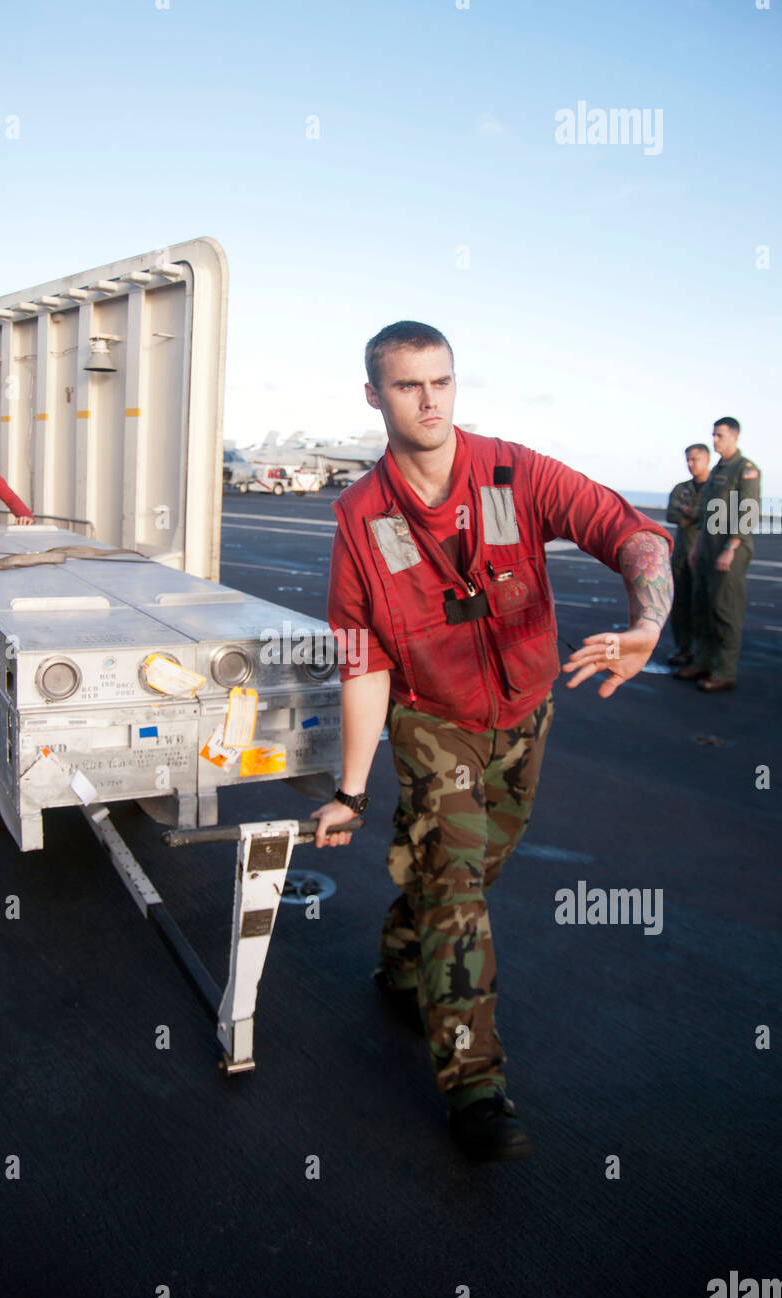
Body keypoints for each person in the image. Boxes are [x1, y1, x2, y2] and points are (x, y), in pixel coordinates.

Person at [311, 321, 673, 1163]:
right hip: (432, 720)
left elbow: (634, 534)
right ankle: (475, 1088)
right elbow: (360, 662)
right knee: (457, 894)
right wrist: (353, 790)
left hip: (525, 712)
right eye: (407, 385)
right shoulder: (361, 520)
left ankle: (403, 964)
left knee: (474, 868)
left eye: (440, 380)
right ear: (375, 396)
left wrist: (647, 620)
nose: (429, 398)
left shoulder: (512, 470)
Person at [674, 417, 760, 692]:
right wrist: (697, 547)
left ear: (734, 437)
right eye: (713, 435)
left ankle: (725, 671)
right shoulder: (717, 471)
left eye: (720, 435)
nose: (715, 440)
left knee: (725, 610)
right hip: (706, 546)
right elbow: (707, 516)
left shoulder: (744, 470)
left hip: (729, 547)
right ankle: (703, 661)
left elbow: (747, 512)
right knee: (702, 606)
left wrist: (731, 548)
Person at [665, 443, 711, 665]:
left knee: (704, 606)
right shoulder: (681, 488)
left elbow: (715, 517)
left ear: (706, 460)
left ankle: (703, 654)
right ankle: (684, 649)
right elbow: (671, 514)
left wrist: (689, 511)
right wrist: (696, 514)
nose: (691, 464)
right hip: (682, 555)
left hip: (706, 555)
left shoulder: (717, 488)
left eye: (695, 459)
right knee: (680, 604)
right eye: (688, 460)